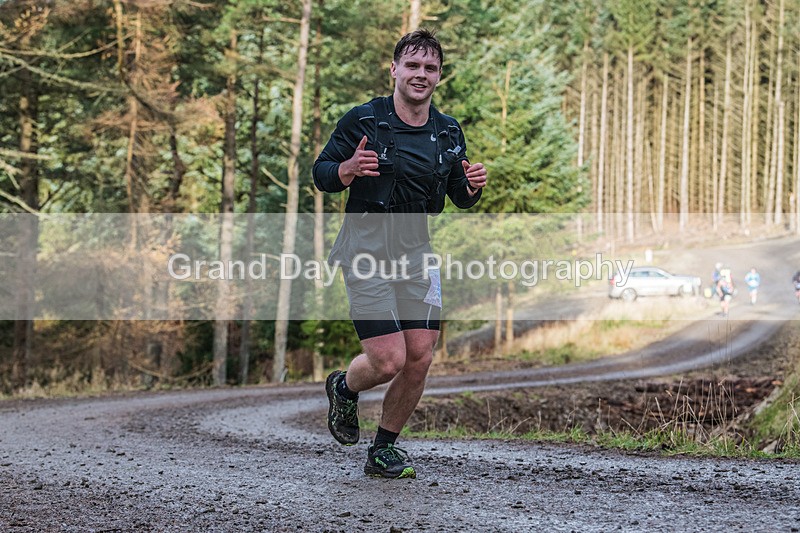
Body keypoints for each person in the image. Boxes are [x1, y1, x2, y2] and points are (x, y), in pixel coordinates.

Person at [313, 29, 487, 479]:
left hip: (417, 255)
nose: (420, 74)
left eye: (430, 67)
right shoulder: (364, 120)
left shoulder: (448, 130)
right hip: (365, 252)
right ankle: (344, 387)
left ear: (439, 76)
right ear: (394, 69)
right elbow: (321, 173)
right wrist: (348, 168)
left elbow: (458, 194)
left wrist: (471, 188)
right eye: (412, 65)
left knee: (420, 357)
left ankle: (383, 449)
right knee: (389, 360)